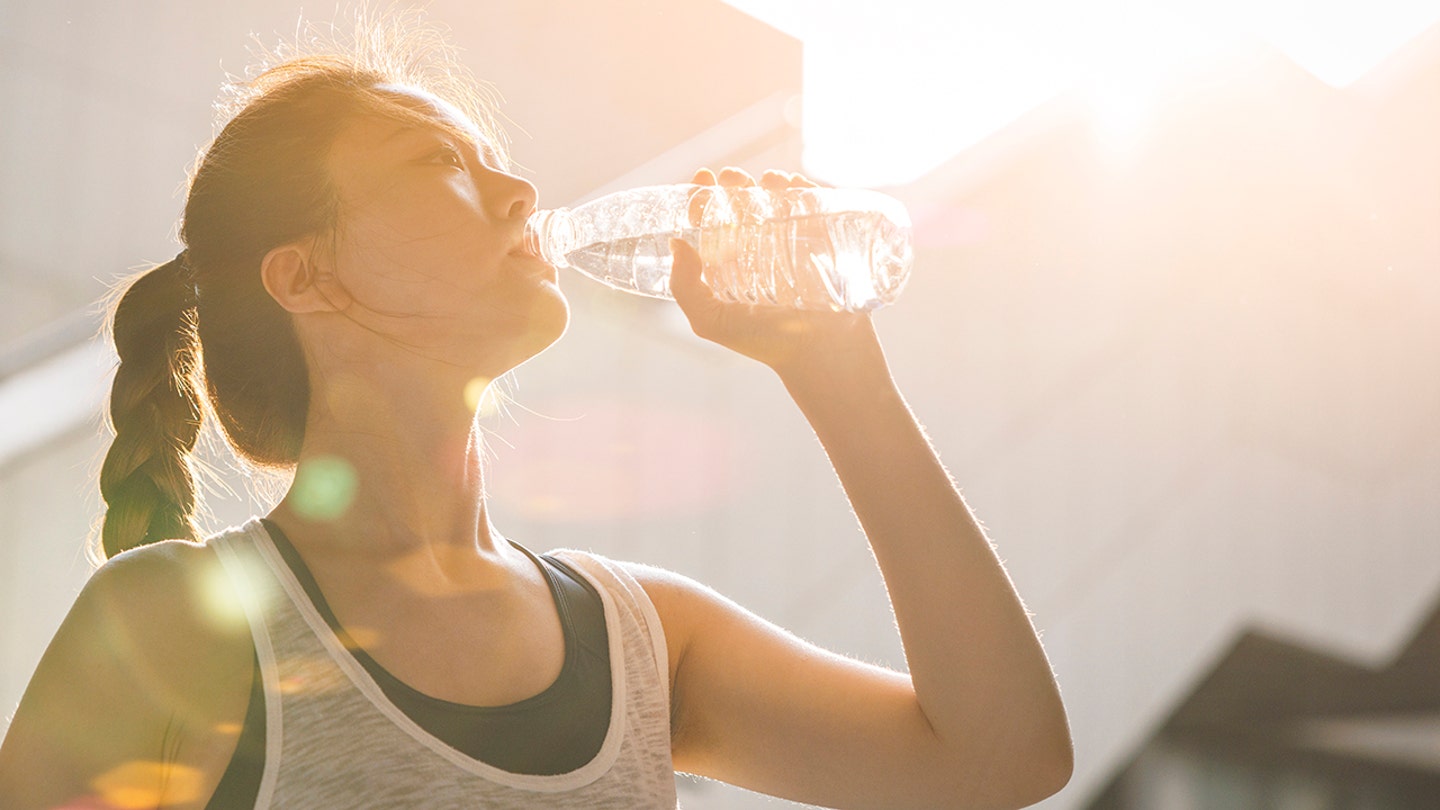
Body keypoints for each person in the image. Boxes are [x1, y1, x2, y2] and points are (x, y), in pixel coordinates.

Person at [0, 19, 1072, 810]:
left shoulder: (641, 640)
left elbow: (999, 761)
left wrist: (841, 377)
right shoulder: (174, 621)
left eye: (499, 163)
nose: (519, 196)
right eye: (442, 163)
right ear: (306, 276)